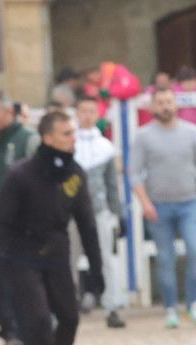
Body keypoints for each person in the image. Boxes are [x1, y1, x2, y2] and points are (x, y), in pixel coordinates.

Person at [0, 110, 102, 345]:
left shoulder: (75, 174)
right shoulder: (20, 174)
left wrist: (97, 268)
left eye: (74, 133)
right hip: (21, 255)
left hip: (57, 252)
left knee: (70, 317)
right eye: (67, 134)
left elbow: (87, 223)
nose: (73, 139)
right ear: (48, 138)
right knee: (36, 319)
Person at [133, 86, 196, 329]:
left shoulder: (191, 133)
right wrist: (145, 204)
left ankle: (193, 305)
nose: (165, 107)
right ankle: (170, 308)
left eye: (169, 102)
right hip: (159, 206)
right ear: (152, 107)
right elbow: (134, 174)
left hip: (189, 204)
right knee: (165, 258)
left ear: (176, 104)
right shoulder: (143, 136)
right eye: (160, 103)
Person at [0, 91, 37, 345]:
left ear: (8, 112)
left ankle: (30, 337)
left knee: (25, 283)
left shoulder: (27, 141)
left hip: (26, 224)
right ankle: (11, 334)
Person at [72, 96, 126, 329]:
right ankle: (66, 307)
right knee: (67, 260)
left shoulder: (105, 147)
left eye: (91, 111)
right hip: (71, 212)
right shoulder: (69, 143)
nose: (87, 115)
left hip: (100, 210)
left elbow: (112, 184)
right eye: (83, 110)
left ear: (97, 115)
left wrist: (118, 212)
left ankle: (112, 305)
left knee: (108, 259)